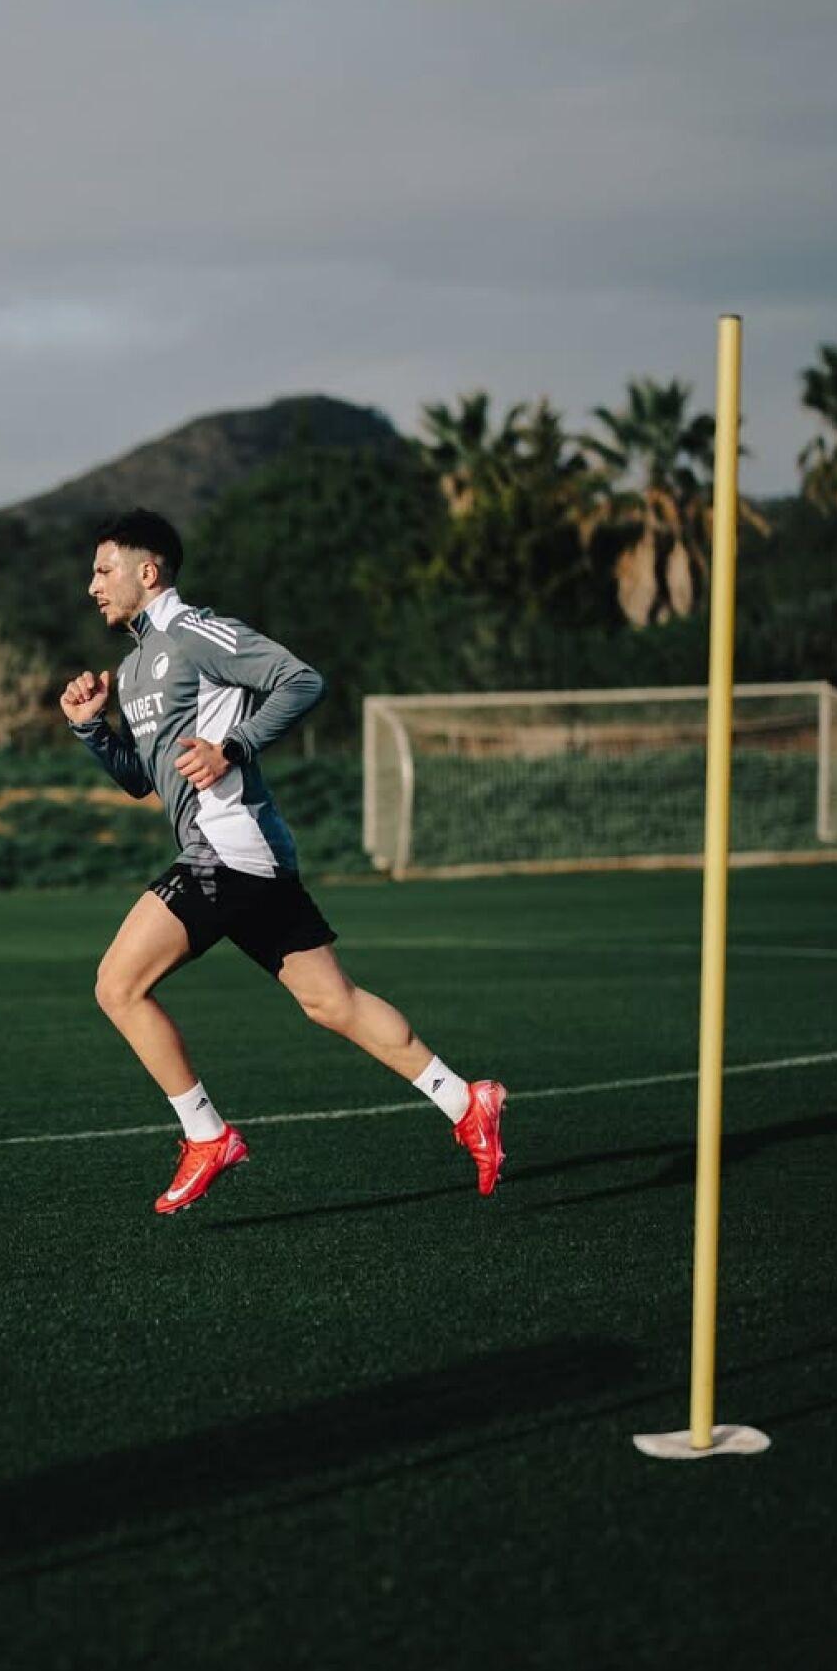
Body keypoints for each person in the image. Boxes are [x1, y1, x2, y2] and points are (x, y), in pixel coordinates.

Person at [61, 507, 506, 1215]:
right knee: (333, 1001)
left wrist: (232, 745)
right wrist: (92, 730)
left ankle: (207, 1135)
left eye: (103, 568)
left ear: (148, 572)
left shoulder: (197, 631)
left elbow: (302, 680)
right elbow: (146, 781)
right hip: (238, 855)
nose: (92, 584)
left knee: (117, 984)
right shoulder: (136, 667)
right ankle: (466, 1100)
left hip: (229, 847)